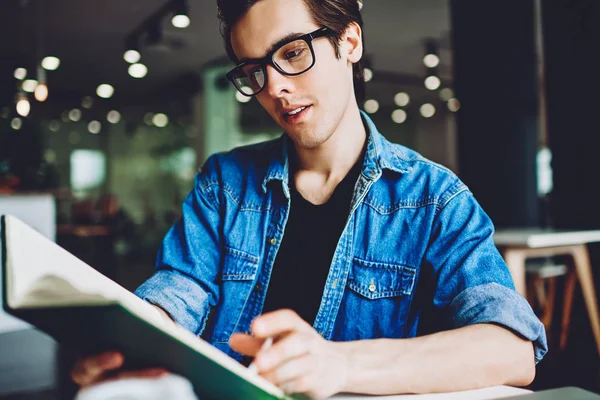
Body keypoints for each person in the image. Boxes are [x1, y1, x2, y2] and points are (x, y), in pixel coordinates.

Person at [71, 0, 547, 398]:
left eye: (293, 52)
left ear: (350, 42)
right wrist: (128, 339)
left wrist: (340, 363)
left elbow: (512, 349)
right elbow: (180, 290)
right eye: (254, 70)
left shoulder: (434, 199)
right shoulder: (224, 184)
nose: (274, 86)